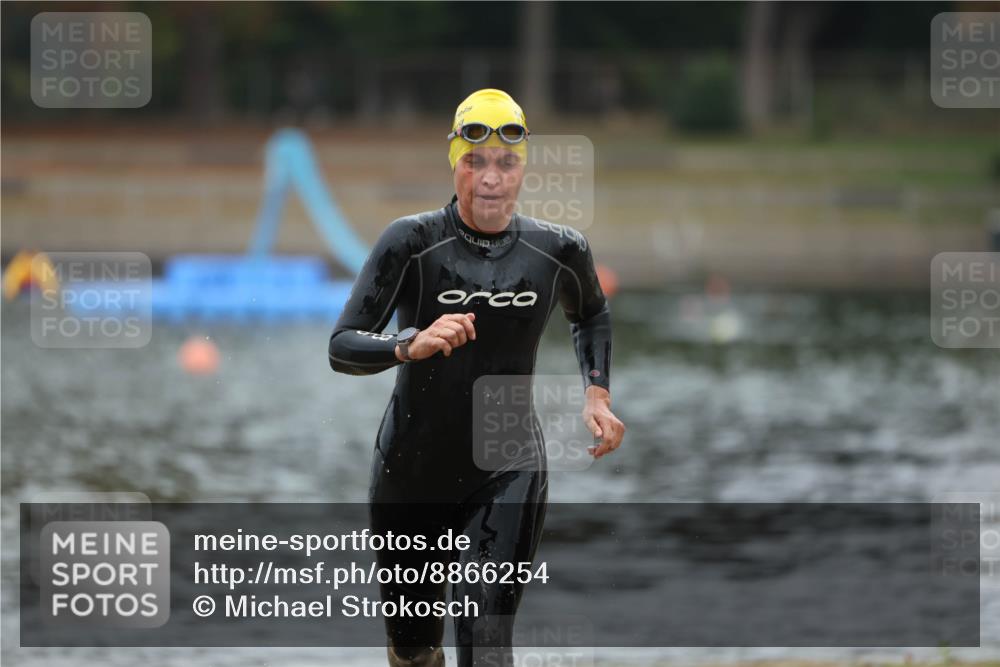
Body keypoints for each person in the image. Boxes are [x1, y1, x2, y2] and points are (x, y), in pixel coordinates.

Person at [328, 88, 625, 667]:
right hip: (410, 471)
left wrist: (597, 391)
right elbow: (342, 345)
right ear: (454, 163)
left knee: (486, 642)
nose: (490, 178)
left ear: (522, 168)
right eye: (474, 161)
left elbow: (591, 313)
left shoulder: (559, 249)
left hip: (508, 464)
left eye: (505, 163)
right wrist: (408, 343)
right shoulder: (411, 242)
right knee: (414, 651)